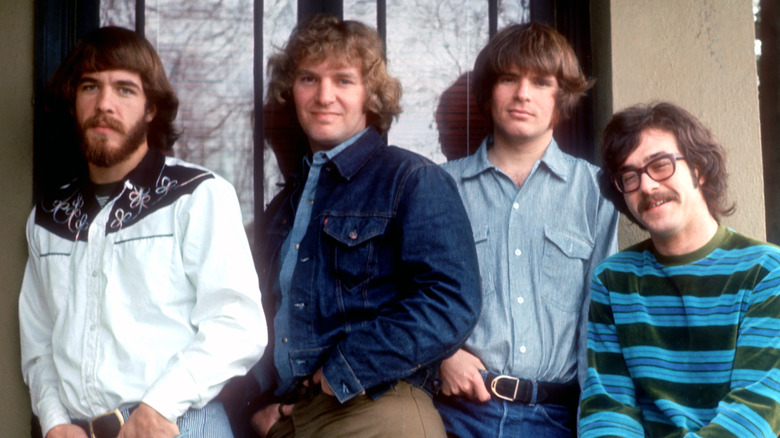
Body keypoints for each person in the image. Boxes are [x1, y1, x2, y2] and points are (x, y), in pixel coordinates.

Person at [19, 26, 267, 438]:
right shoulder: (47, 218)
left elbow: (237, 324)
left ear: (151, 108)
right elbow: (38, 343)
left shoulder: (197, 196)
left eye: (125, 90)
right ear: (73, 102)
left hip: (178, 424)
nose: (104, 105)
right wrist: (54, 422)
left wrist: (158, 406)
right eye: (89, 87)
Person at [241, 14, 481, 438]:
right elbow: (260, 315)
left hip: (376, 408)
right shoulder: (285, 206)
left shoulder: (410, 179)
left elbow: (450, 300)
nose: (323, 95)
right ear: (291, 91)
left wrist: (345, 368)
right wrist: (256, 405)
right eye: (308, 79)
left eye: (344, 81)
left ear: (370, 94)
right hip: (292, 419)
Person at [436, 22, 619, 437]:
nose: (523, 94)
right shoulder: (439, 187)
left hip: (556, 417)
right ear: (489, 92)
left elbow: (600, 326)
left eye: (541, 82)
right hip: (455, 414)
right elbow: (408, 295)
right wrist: (441, 357)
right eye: (508, 79)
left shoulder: (597, 193)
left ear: (562, 99)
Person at [579, 102, 780, 437]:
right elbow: (608, 408)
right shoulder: (613, 280)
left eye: (660, 165)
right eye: (630, 176)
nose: (646, 186)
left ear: (699, 168)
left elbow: (754, 416)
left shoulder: (766, 272)